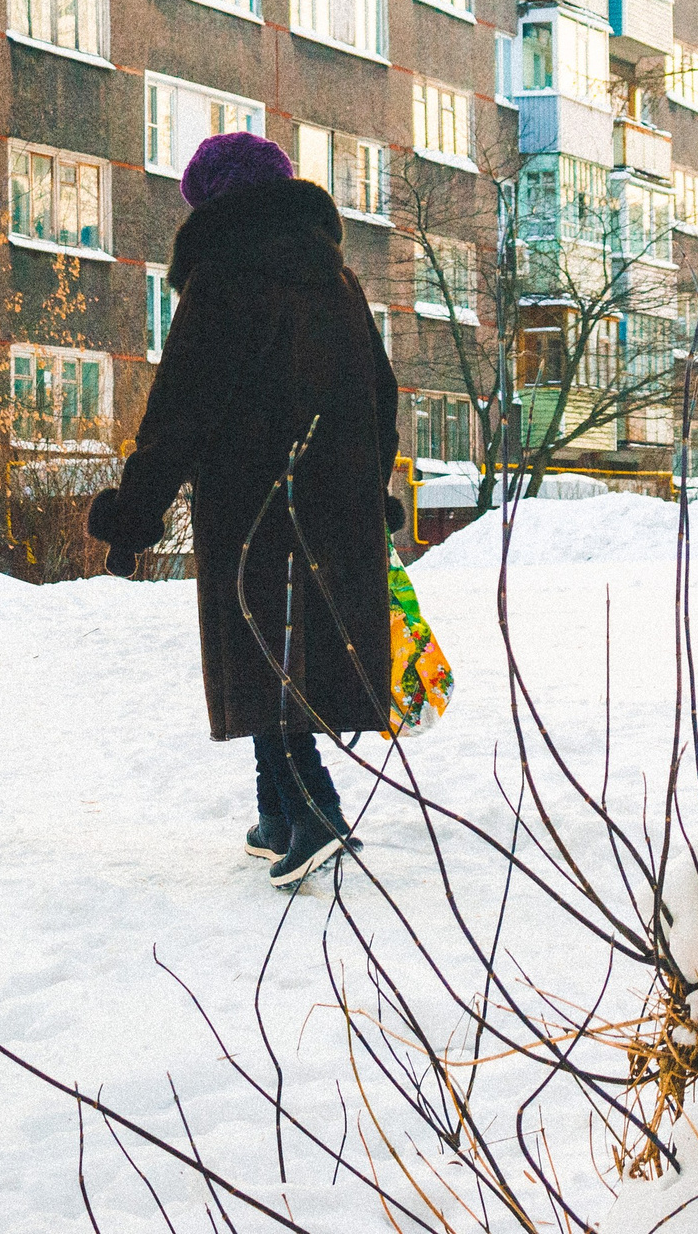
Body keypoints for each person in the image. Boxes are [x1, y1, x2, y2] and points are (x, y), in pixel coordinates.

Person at [87, 132, 402, 888]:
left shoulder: (223, 279)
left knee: (264, 649)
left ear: (212, 204)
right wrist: (366, 492)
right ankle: (279, 814)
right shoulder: (338, 281)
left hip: (252, 505)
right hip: (331, 509)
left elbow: (177, 415)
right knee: (284, 651)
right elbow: (381, 399)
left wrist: (134, 516)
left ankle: (314, 811)